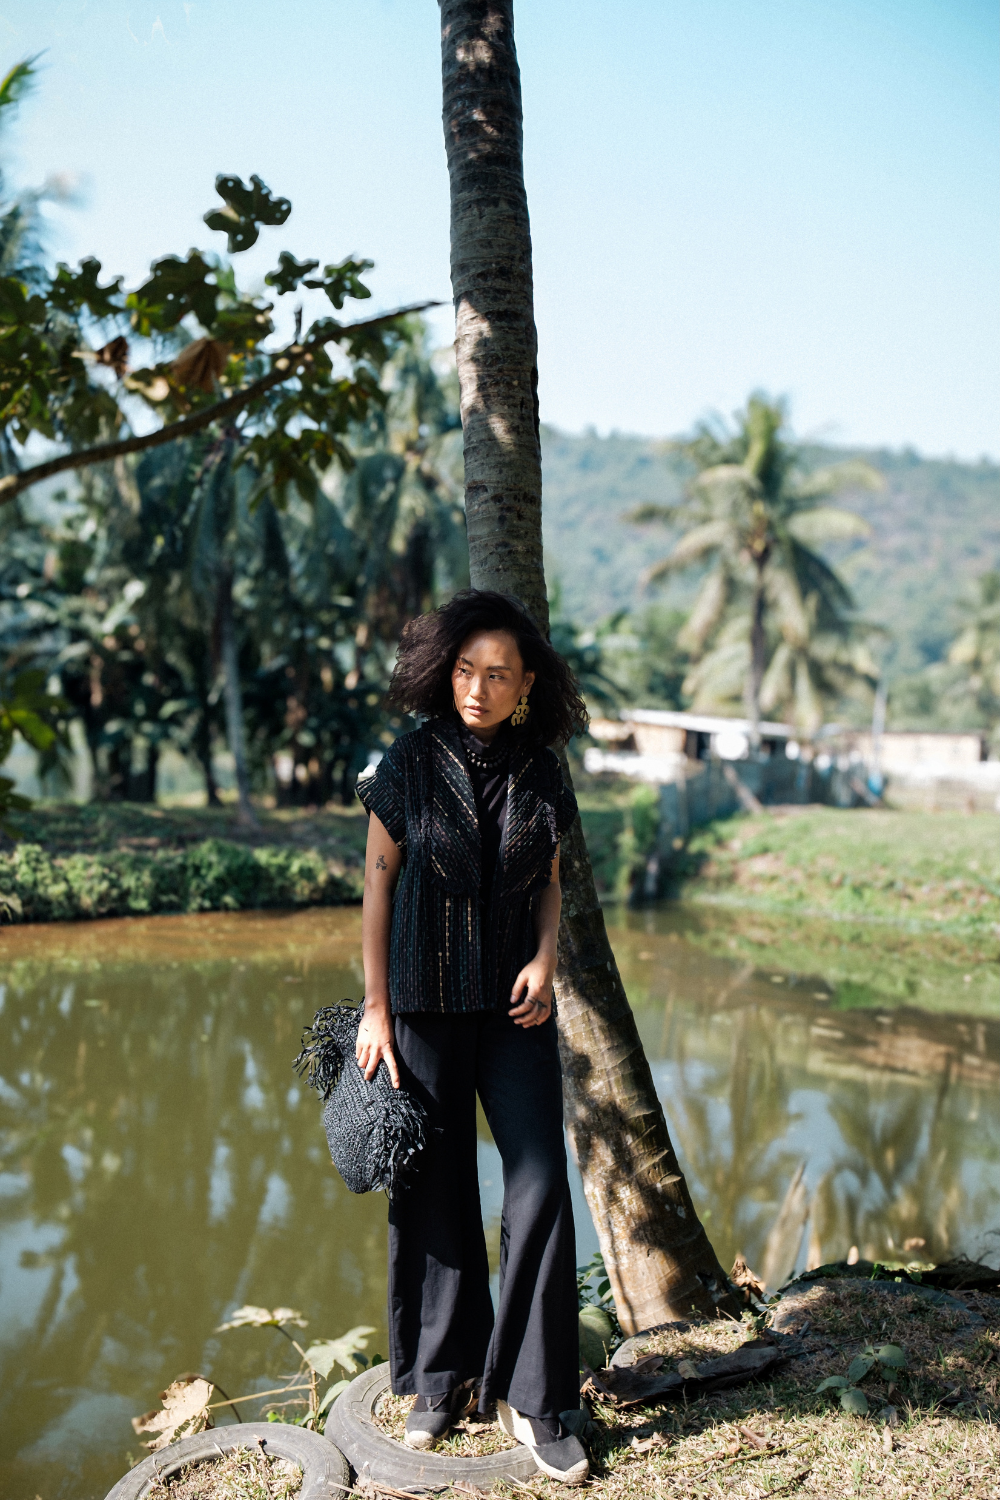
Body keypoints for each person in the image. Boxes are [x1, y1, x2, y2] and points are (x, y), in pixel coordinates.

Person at [354, 589, 590, 1485]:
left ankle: (537, 1399)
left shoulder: (544, 772)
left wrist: (547, 959)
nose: (477, 689)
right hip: (421, 1000)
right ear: (443, 672)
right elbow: (378, 886)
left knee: (541, 1181)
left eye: (497, 674)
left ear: (527, 685)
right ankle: (442, 1377)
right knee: (433, 1186)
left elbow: (550, 881)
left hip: (513, 1008)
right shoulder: (408, 764)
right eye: (464, 670)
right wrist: (376, 1008)